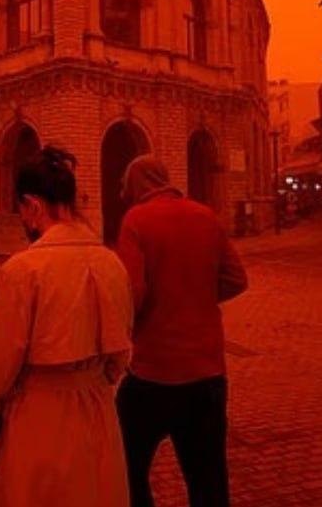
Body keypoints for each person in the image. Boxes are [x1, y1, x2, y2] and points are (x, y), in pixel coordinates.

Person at [0, 146, 134, 507]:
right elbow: (120, 358)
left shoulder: (23, 269)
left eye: (21, 211)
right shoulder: (111, 262)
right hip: (98, 411)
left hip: (40, 417)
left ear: (32, 205)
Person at [114, 155, 248, 507]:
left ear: (136, 184)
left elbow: (132, 294)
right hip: (208, 374)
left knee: (124, 464)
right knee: (208, 480)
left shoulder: (136, 220)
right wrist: (198, 296)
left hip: (154, 375)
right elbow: (237, 278)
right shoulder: (206, 216)